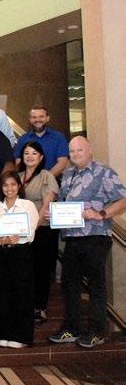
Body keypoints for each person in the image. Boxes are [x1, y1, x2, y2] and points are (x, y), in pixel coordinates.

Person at [48, 137, 126, 349]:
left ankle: (96, 331)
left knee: (95, 285)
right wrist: (54, 215)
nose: (75, 154)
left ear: (89, 150)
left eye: (79, 150)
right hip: (72, 237)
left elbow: (123, 199)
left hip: (95, 236)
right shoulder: (69, 174)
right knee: (69, 284)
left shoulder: (103, 171)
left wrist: (102, 213)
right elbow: (65, 203)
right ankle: (71, 328)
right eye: (72, 151)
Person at [0, 172, 37, 349]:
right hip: (1, 254)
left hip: (21, 253)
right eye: (5, 185)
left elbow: (31, 229)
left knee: (22, 294)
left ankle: (22, 336)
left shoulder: (27, 205)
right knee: (2, 294)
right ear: (1, 188)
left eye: (13, 184)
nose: (9, 188)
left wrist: (18, 236)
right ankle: (3, 334)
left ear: (19, 186)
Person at [17, 141, 59, 324]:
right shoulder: (18, 177)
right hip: (22, 232)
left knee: (41, 270)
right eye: (26, 153)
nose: (30, 156)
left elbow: (47, 203)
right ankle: (26, 306)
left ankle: (40, 308)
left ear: (41, 157)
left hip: (41, 231)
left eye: (34, 153)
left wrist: (34, 227)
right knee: (25, 270)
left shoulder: (46, 175)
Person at [13, 106, 69, 178]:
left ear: (47, 118)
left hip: (53, 181)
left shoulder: (59, 137)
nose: (37, 120)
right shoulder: (23, 139)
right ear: (30, 120)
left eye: (41, 117)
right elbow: (18, 162)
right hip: (28, 181)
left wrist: (44, 179)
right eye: (34, 117)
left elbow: (62, 162)